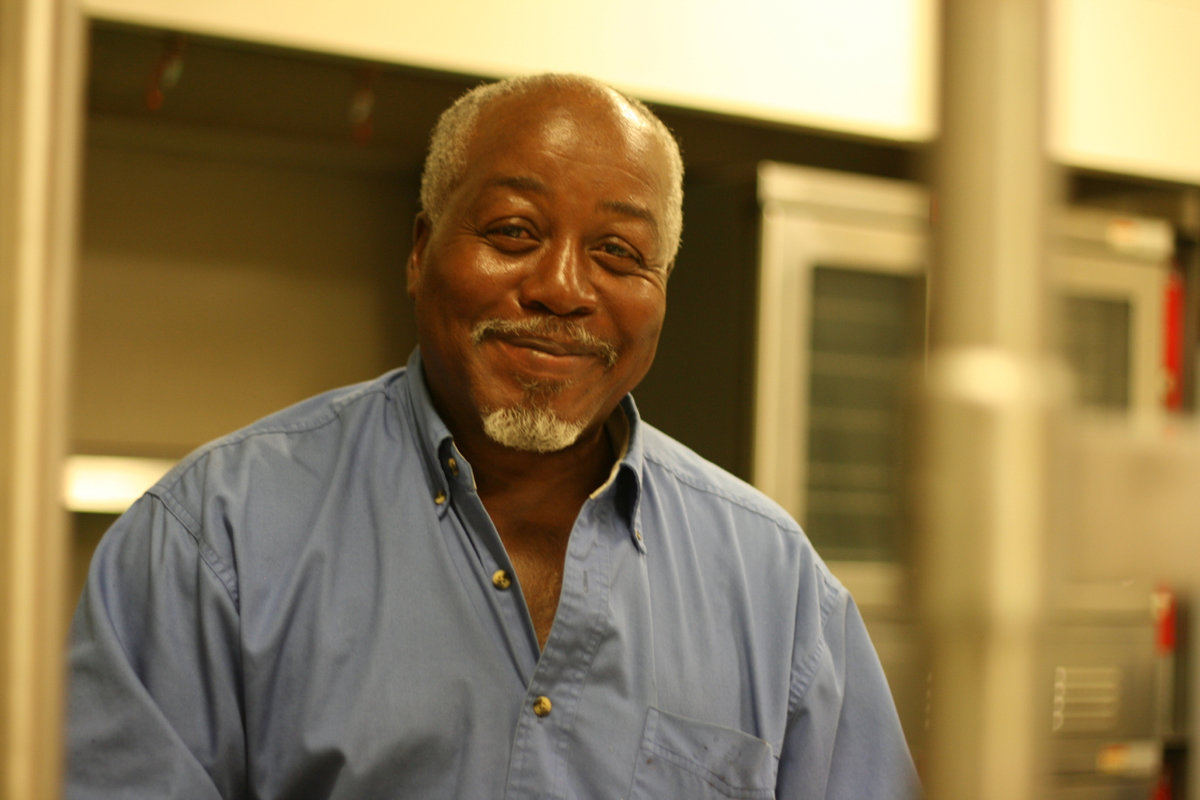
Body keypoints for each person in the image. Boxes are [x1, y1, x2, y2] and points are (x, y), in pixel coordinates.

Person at [67, 73, 919, 799]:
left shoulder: (775, 587)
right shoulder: (215, 540)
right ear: (420, 250)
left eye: (619, 253)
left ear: (662, 288)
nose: (562, 288)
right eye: (514, 232)